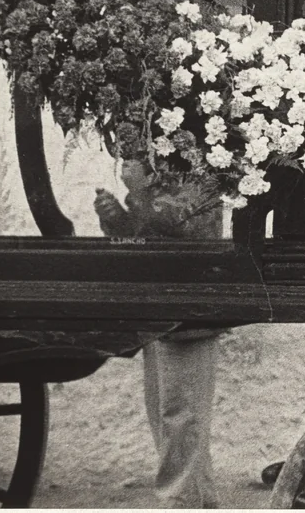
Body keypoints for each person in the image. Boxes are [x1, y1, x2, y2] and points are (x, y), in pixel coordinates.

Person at [94, 162, 225, 509]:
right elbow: (143, 242)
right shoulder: (160, 181)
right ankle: (193, 501)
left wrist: (138, 192)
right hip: (161, 309)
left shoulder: (200, 174)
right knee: (167, 415)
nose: (125, 163)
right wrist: (117, 220)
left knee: (181, 416)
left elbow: (188, 231)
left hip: (191, 310)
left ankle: (183, 503)